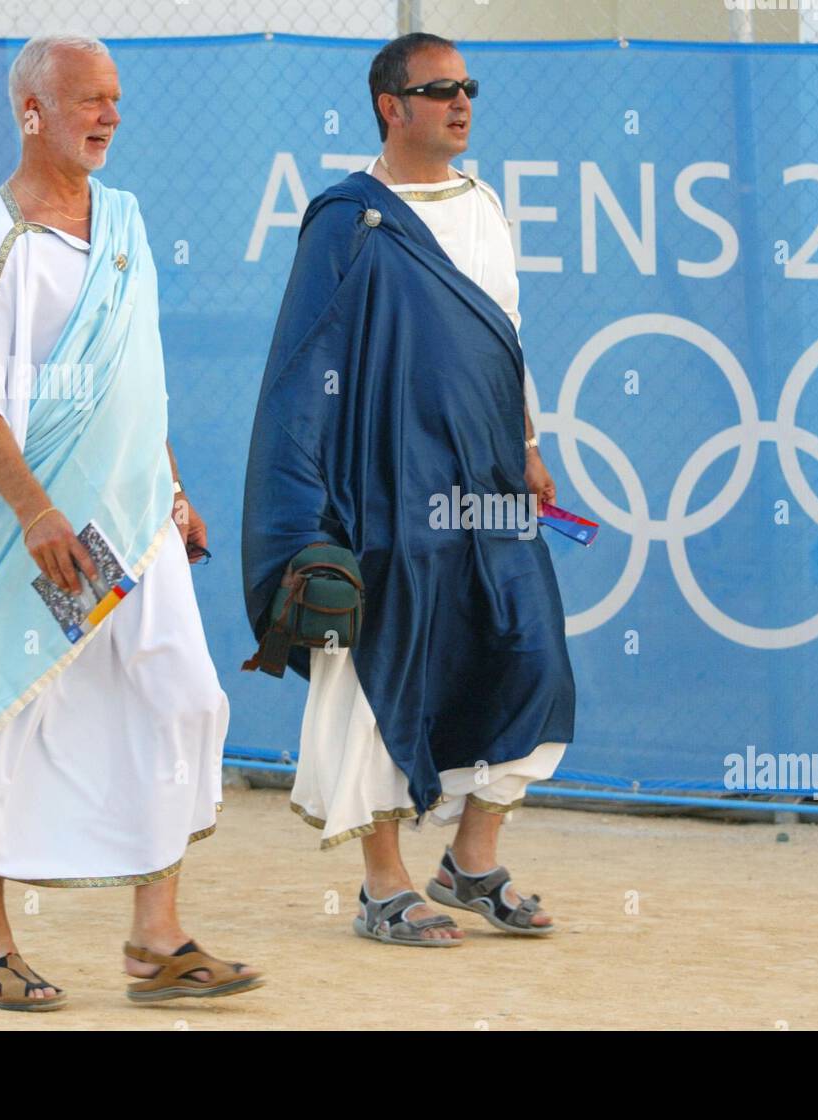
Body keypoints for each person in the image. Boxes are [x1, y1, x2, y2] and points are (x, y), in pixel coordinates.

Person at [0, 35, 261, 1008]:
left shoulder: (121, 221)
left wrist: (170, 487)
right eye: (87, 99)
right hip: (48, 540)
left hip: (132, 529)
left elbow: (136, 379)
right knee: (12, 712)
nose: (108, 116)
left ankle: (155, 942)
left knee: (183, 700)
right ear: (31, 111)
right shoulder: (4, 242)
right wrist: (35, 510)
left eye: (115, 99)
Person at [242, 32, 575, 946]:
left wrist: (529, 441)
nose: (462, 102)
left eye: (469, 86)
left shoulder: (483, 204)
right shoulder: (349, 221)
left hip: (490, 475)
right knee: (381, 666)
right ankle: (383, 887)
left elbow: (504, 338)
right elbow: (303, 371)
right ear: (392, 105)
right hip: (384, 485)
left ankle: (470, 862)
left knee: (530, 651)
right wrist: (310, 514)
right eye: (440, 90)